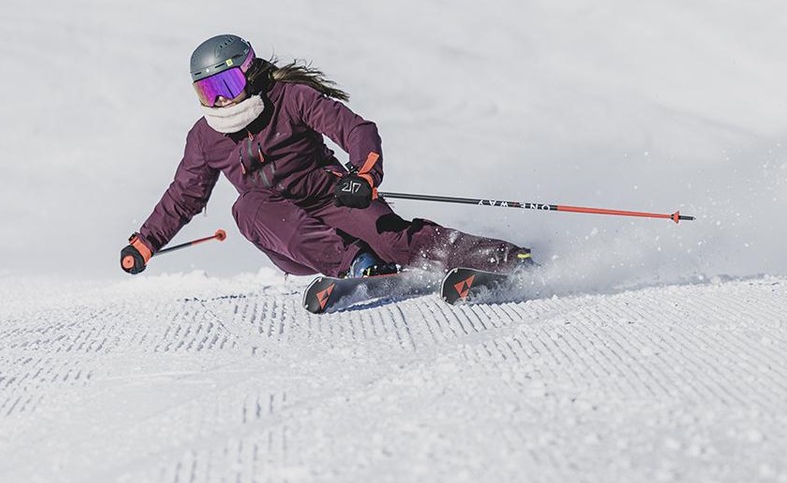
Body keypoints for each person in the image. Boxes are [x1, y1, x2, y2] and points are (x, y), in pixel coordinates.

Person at [121, 34, 533, 281]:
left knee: (393, 240)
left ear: (247, 73)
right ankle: (353, 263)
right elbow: (184, 195)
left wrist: (364, 174)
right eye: (209, 91)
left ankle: (499, 257)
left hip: (335, 199)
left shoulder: (289, 99)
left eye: (227, 83)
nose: (222, 99)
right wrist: (145, 242)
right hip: (287, 236)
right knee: (247, 205)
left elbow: (355, 129)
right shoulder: (205, 136)